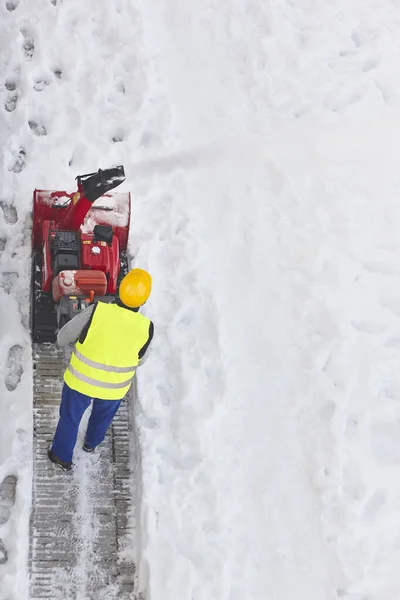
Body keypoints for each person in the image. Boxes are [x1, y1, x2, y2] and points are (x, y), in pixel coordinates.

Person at [48, 268, 154, 471]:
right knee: (102, 417)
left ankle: (61, 456)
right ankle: (90, 444)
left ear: (120, 290)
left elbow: (63, 337)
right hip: (113, 388)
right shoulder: (146, 327)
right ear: (144, 301)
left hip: (80, 381)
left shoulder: (98, 310)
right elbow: (140, 360)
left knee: (70, 418)